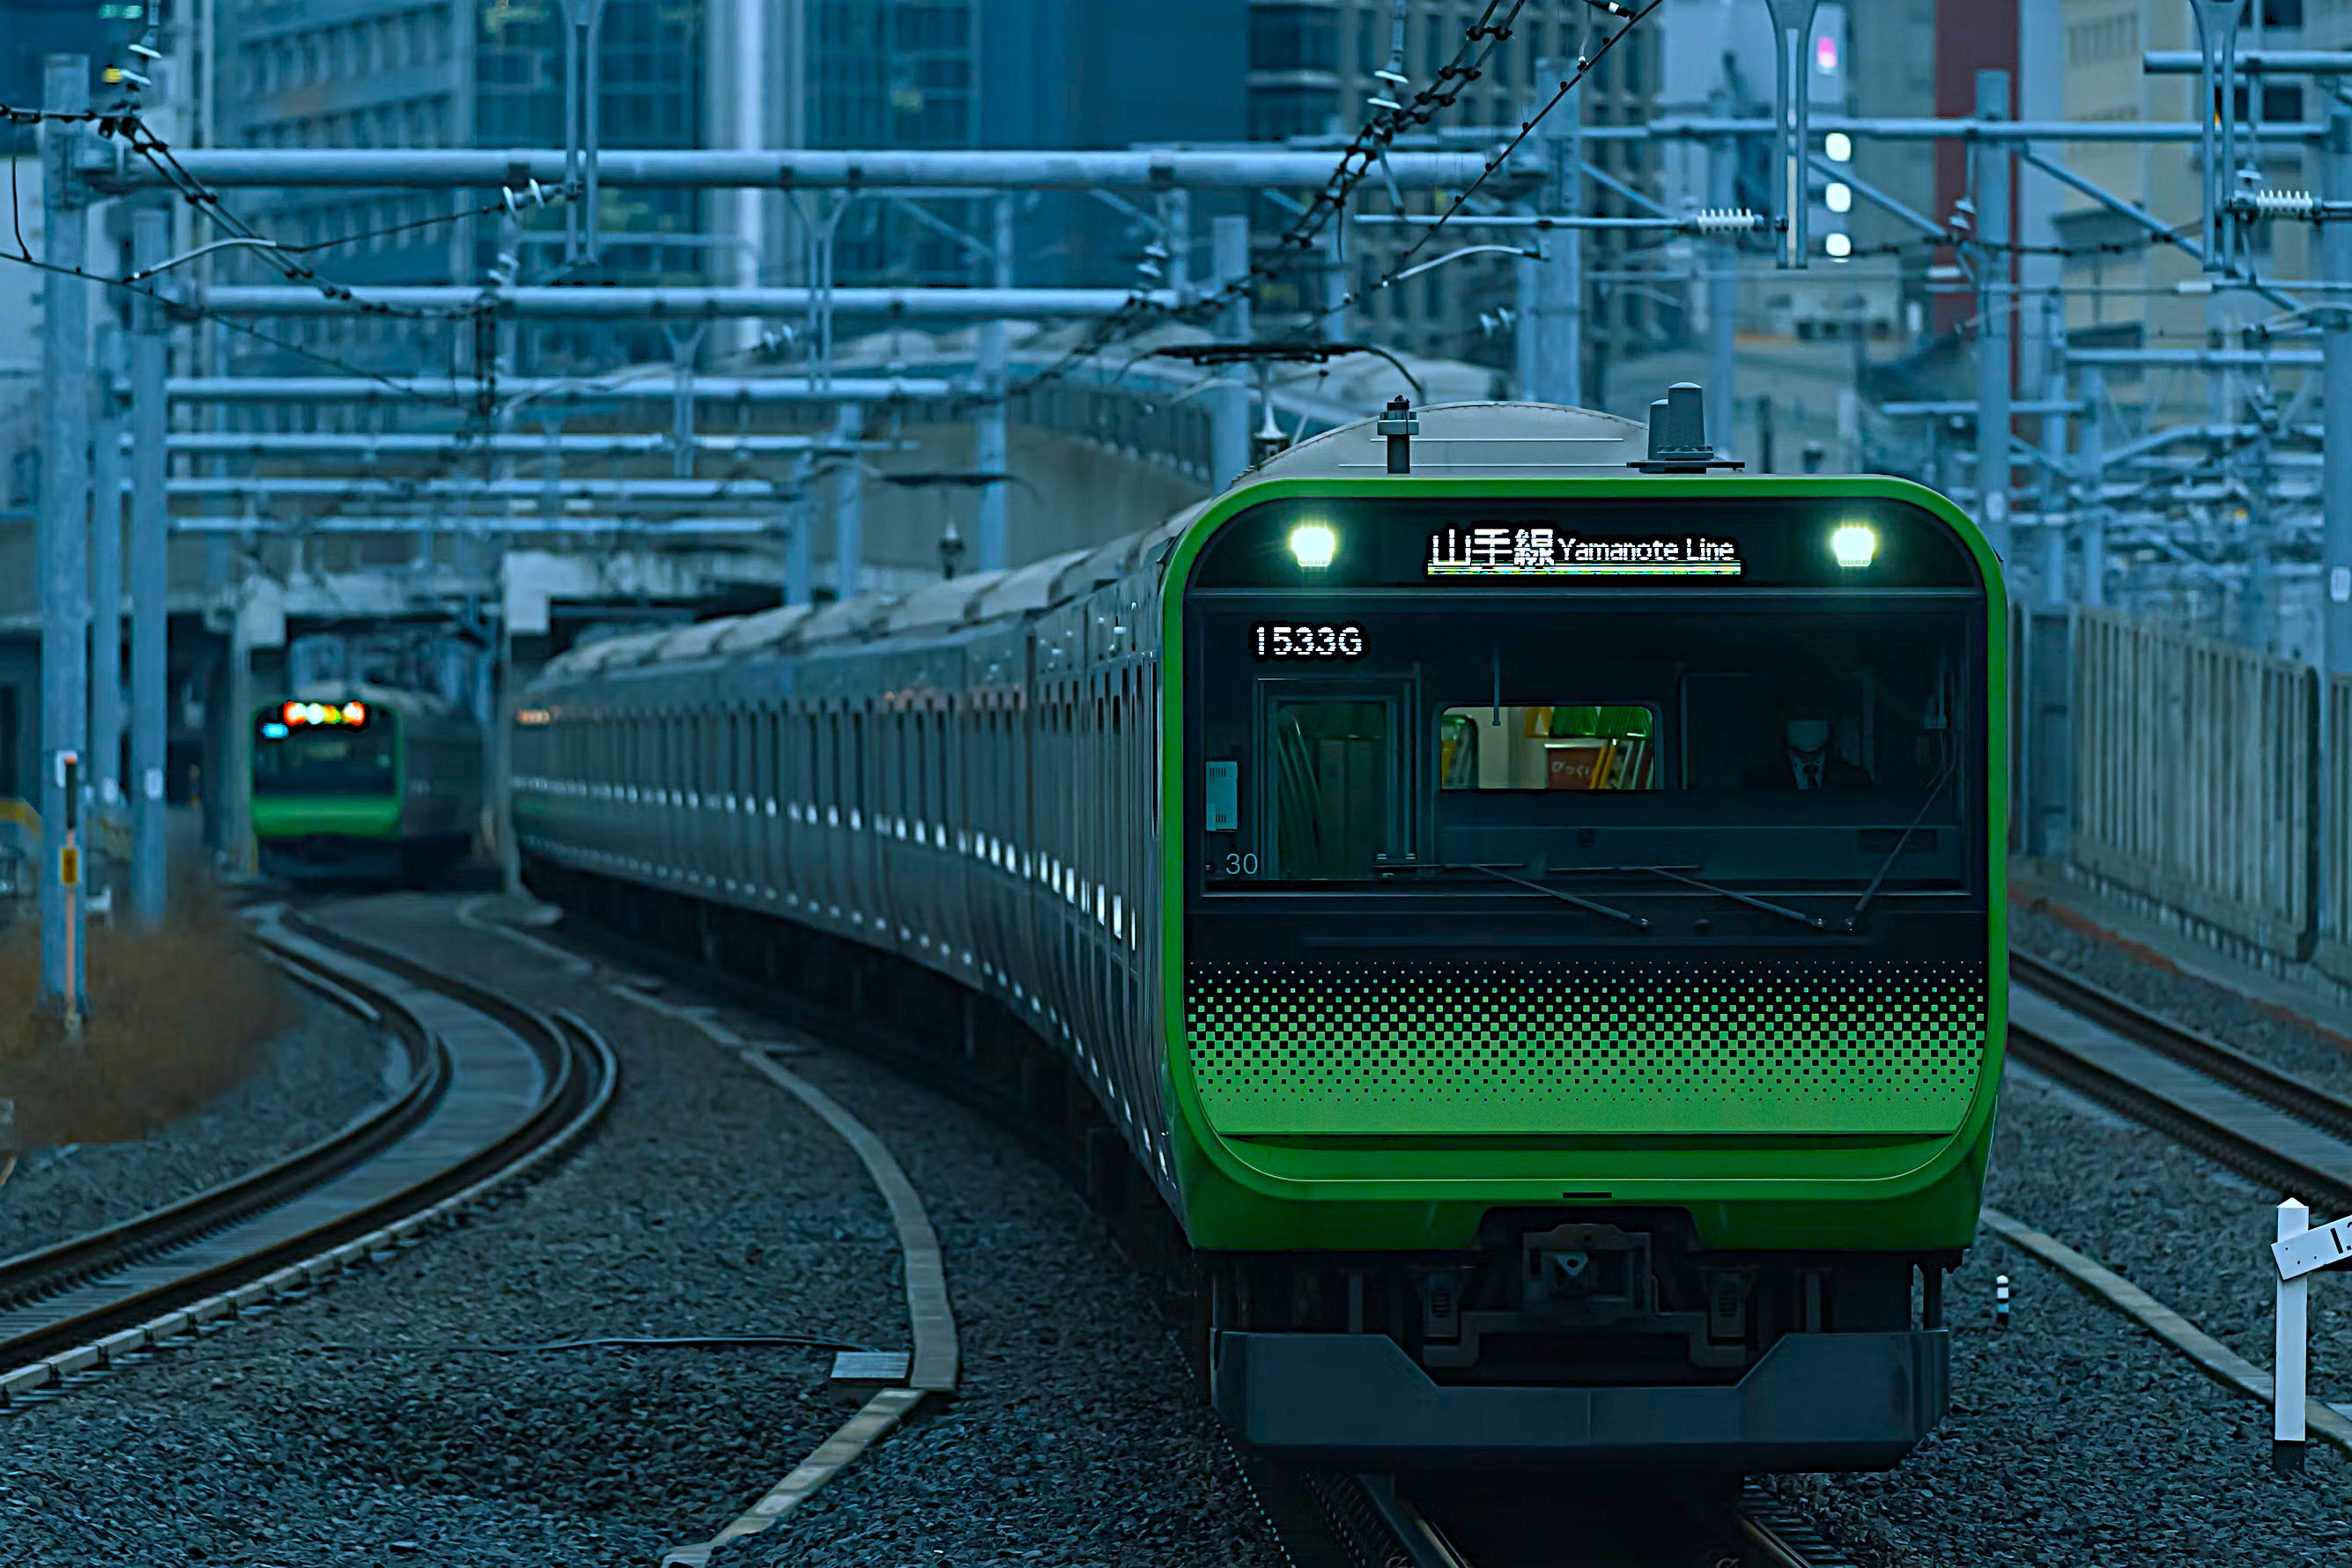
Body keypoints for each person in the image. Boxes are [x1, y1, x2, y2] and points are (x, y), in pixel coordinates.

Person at [1742, 699, 1875, 791]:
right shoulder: (1758, 783)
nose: (1807, 725)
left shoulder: (1856, 780)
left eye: (1815, 716)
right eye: (1799, 717)